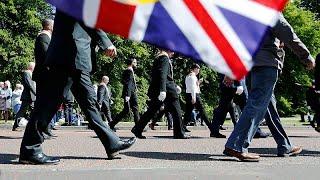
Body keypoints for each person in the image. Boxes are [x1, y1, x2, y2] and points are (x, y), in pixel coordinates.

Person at [18, 11, 135, 165]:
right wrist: (105, 42)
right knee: (49, 103)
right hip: (68, 56)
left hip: (75, 57)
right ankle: (30, 149)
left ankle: (112, 143)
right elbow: (87, 16)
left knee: (90, 104)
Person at [224, 14, 315, 162]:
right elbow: (288, 34)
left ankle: (284, 145)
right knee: (257, 105)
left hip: (252, 65)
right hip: (267, 64)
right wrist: (306, 57)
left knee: (268, 106)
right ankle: (236, 145)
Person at [131, 49, 188, 139]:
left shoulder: (158, 58)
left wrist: (175, 85)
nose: (173, 53)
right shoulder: (164, 58)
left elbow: (162, 75)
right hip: (167, 90)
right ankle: (179, 133)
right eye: (172, 51)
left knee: (152, 110)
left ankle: (138, 128)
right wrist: (163, 90)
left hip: (162, 88)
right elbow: (163, 74)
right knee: (176, 110)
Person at [109, 58, 140, 130]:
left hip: (131, 92)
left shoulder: (129, 71)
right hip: (130, 93)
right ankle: (138, 127)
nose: (136, 64)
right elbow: (128, 83)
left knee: (126, 110)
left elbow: (125, 82)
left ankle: (112, 123)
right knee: (134, 109)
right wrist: (128, 95)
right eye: (135, 62)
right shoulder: (129, 71)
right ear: (131, 63)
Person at [184, 64, 214, 134]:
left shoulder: (188, 76)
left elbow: (190, 87)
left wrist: (198, 83)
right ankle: (212, 129)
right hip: (194, 95)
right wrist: (194, 97)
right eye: (198, 69)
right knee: (203, 112)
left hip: (188, 95)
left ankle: (183, 127)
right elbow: (193, 88)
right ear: (194, 69)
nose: (199, 70)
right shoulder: (193, 76)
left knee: (188, 112)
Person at [12, 62, 36, 131]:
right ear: (31, 67)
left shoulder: (31, 73)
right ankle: (15, 126)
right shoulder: (27, 73)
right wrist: (36, 93)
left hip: (31, 96)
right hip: (27, 96)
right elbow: (30, 84)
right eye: (34, 67)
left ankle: (33, 126)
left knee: (33, 111)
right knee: (21, 112)